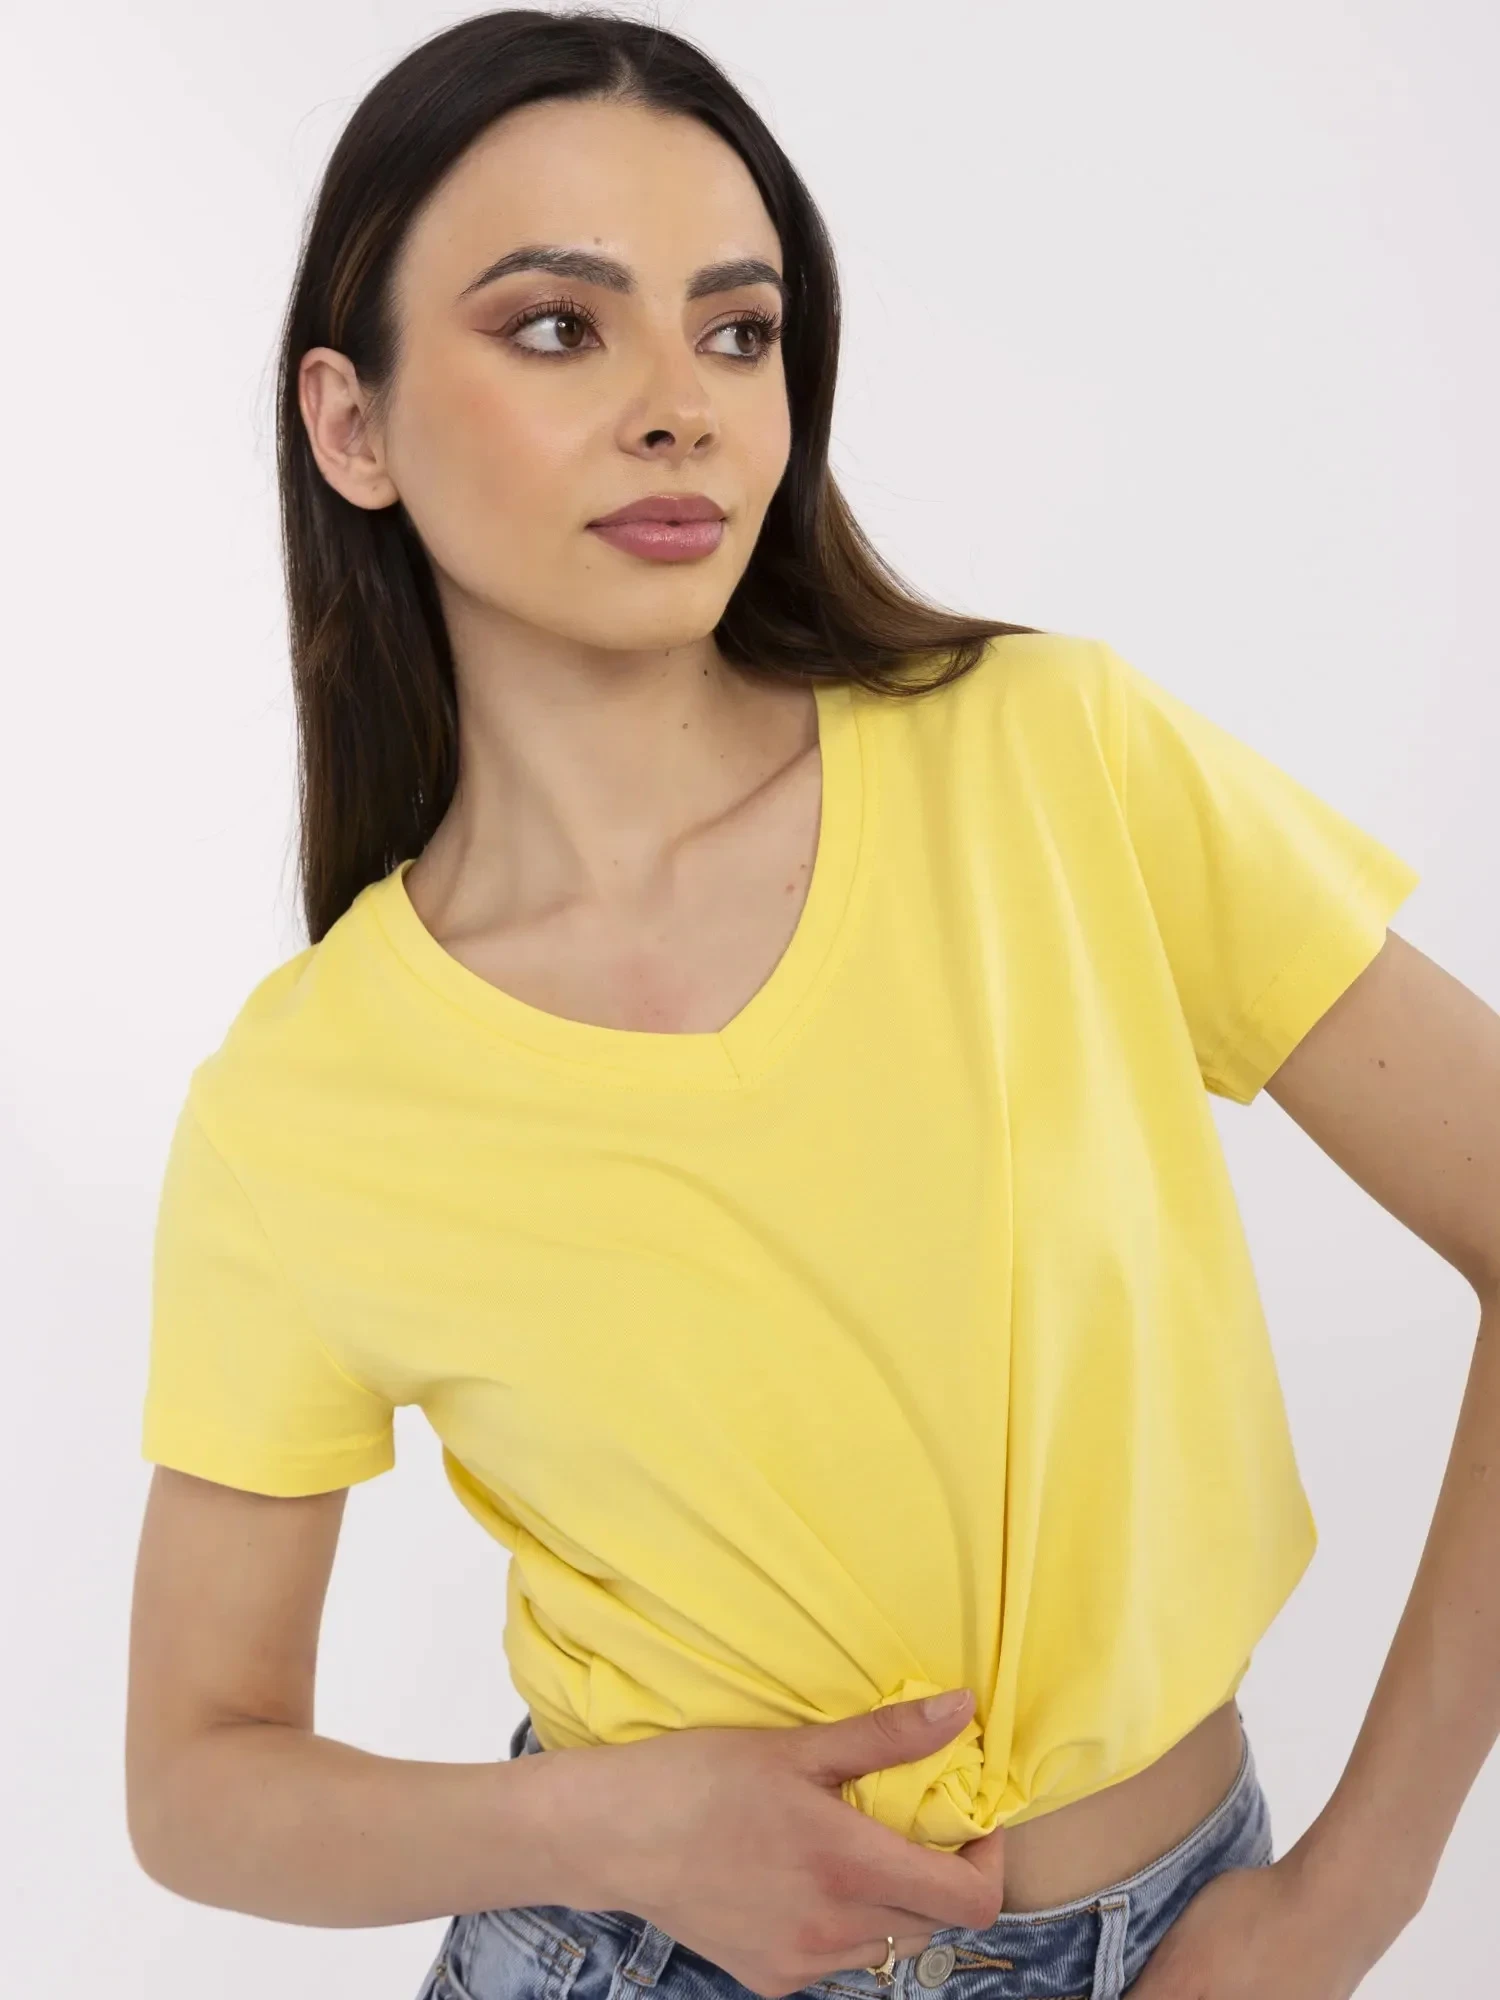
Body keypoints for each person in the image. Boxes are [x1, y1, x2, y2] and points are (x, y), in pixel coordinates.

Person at [124, 13, 1498, 2000]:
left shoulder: (1051, 760)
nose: (680, 408)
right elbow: (194, 1778)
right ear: (352, 426)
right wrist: (601, 1827)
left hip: (1193, 1939)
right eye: (557, 328)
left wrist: (1346, 1908)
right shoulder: (308, 1095)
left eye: (738, 330)